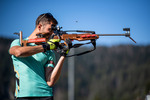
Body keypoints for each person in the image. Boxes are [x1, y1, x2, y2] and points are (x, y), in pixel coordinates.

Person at [9, 13, 68, 100]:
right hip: (23, 96)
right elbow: (18, 52)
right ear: (39, 26)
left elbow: (50, 81)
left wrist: (63, 55)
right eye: (50, 29)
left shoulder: (49, 52)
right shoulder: (18, 43)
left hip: (46, 96)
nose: (52, 33)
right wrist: (45, 47)